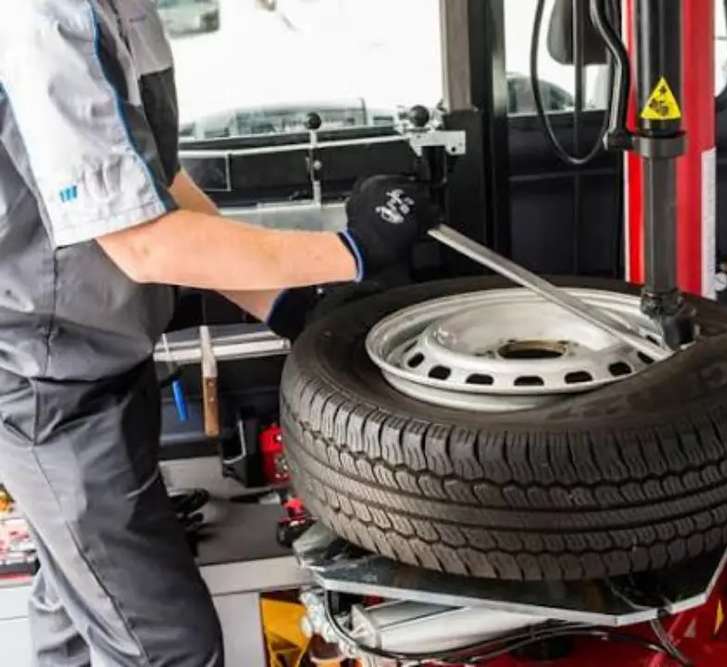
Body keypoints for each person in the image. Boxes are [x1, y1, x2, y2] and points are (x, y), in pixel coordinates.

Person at [0, 1, 436, 664]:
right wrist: (352, 248)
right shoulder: (44, 20)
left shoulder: (122, 11)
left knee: (76, 607)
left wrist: (289, 304)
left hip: (100, 358)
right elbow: (145, 244)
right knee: (167, 645)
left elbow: (154, 187)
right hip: (50, 390)